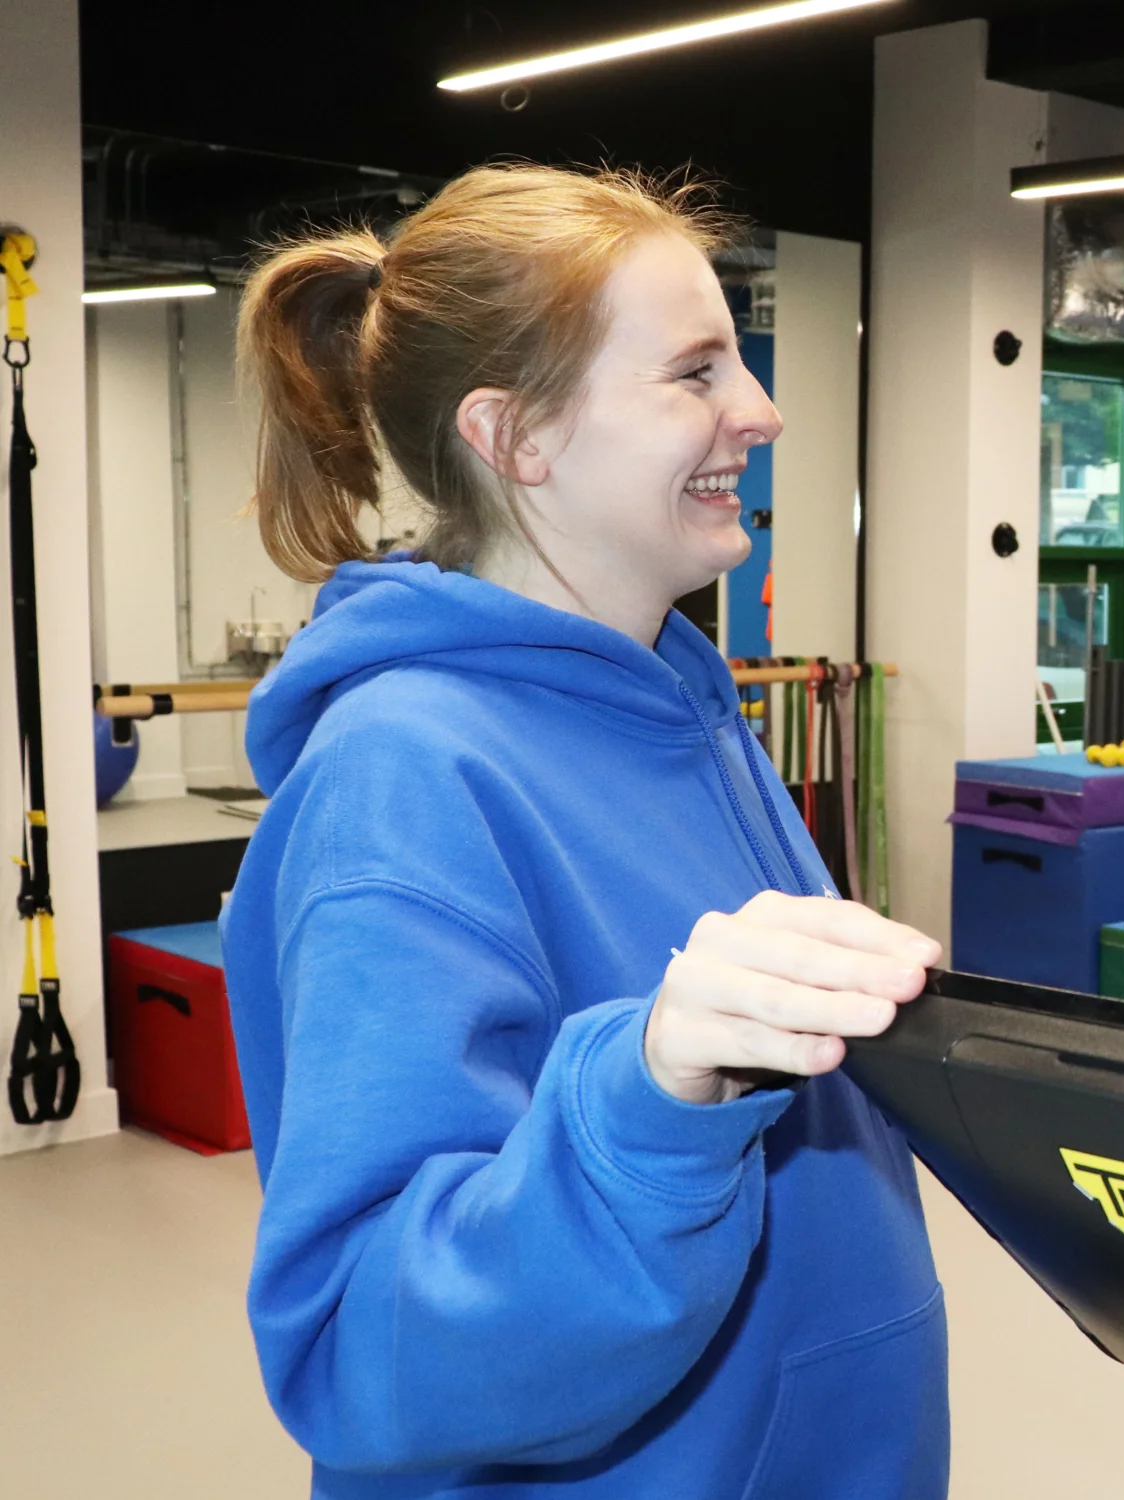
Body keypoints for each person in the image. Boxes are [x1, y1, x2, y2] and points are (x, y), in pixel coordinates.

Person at [223, 165, 950, 1498]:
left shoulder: (686, 705)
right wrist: (651, 1096)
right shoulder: (404, 772)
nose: (763, 410)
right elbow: (361, 1344)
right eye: (697, 371)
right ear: (519, 440)